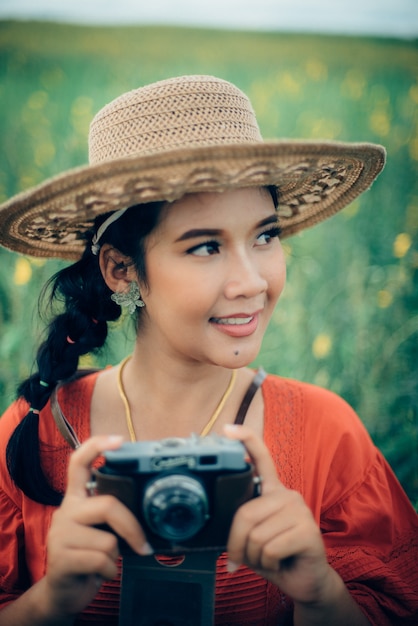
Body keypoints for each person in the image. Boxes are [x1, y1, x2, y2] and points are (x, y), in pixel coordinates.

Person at [0, 74, 416, 626]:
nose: (252, 281)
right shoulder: (34, 434)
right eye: (205, 246)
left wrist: (321, 595)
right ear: (122, 269)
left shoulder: (326, 435)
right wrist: (49, 603)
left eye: (266, 236)